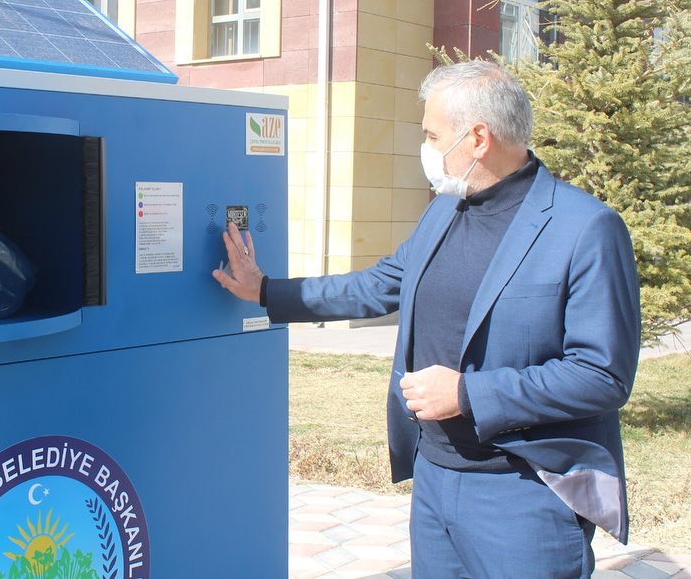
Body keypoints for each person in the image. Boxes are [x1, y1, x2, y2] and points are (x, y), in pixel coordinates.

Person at [213, 61, 640, 578]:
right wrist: (264, 291)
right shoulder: (444, 209)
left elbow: (602, 376)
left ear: (478, 137)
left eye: (432, 135)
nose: (427, 148)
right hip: (434, 480)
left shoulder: (586, 228)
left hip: (524, 492)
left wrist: (466, 394)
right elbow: (377, 285)